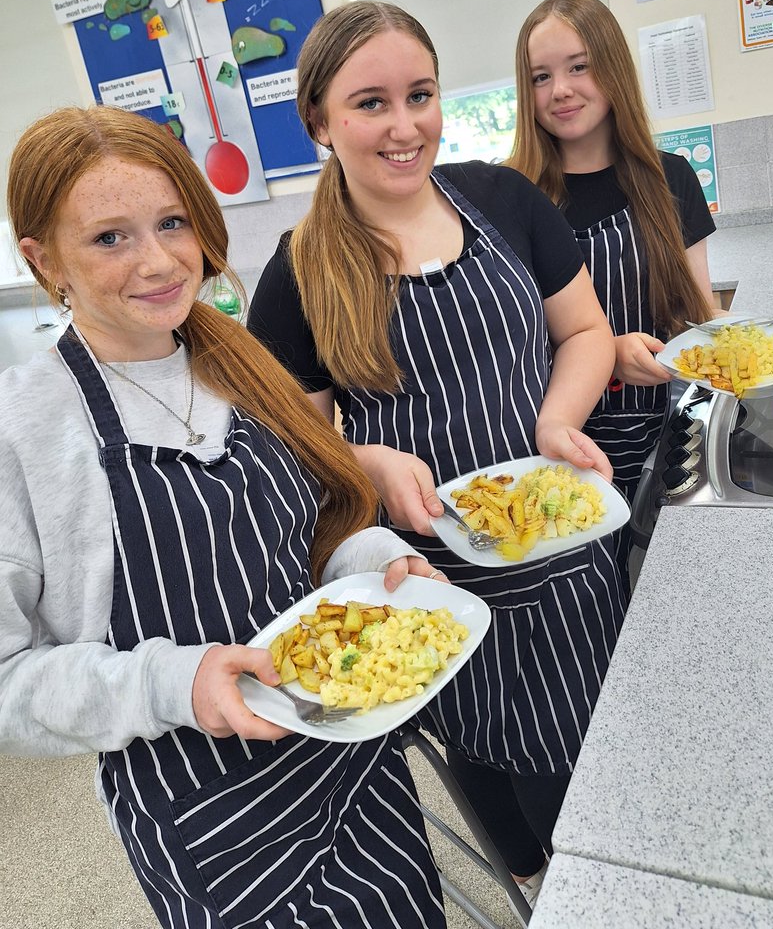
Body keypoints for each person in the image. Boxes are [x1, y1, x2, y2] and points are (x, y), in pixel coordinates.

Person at [0, 105, 448, 929]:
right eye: (110, 237)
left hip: (348, 751)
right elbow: (7, 680)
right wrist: (176, 679)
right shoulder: (24, 429)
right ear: (43, 258)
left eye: (173, 222)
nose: (162, 260)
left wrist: (371, 564)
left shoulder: (239, 363)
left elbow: (308, 535)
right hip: (211, 814)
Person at [247, 0, 620, 908]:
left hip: (563, 548)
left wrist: (557, 424)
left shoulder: (504, 199)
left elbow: (586, 333)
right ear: (321, 123)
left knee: (597, 768)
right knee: (499, 772)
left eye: (420, 94)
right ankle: (548, 893)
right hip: (431, 584)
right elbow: (290, 450)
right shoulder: (297, 274)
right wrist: (365, 459)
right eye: (370, 102)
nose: (405, 124)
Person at [508, 0, 773, 500]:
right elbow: (504, 347)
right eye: (541, 77)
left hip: (659, 428)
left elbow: (696, 321)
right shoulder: (511, 197)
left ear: (613, 69)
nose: (560, 90)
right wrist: (604, 354)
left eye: (579, 67)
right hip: (554, 438)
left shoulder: (671, 179)